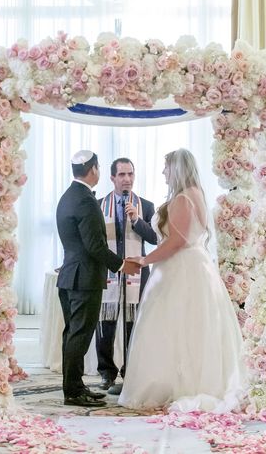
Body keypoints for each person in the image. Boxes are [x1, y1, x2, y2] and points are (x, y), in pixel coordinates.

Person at [118, 148, 245, 412]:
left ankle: (176, 384)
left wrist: (144, 260)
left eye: (166, 168)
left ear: (175, 169)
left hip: (181, 269)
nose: (163, 173)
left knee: (173, 325)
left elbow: (176, 241)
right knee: (192, 326)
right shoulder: (194, 195)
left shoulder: (183, 199)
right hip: (195, 266)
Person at [56, 150, 141, 408]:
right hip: (85, 279)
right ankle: (73, 392)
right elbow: (95, 245)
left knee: (73, 334)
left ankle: (76, 386)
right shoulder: (85, 200)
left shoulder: (68, 196)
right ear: (94, 169)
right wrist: (122, 264)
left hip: (71, 275)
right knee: (79, 336)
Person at [96, 158, 157, 391]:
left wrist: (136, 219)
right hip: (109, 270)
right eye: (121, 175)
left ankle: (130, 371)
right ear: (112, 178)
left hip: (137, 273)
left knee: (134, 325)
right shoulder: (99, 204)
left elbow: (154, 238)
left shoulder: (147, 206)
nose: (127, 179)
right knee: (105, 324)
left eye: (130, 174)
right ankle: (106, 373)